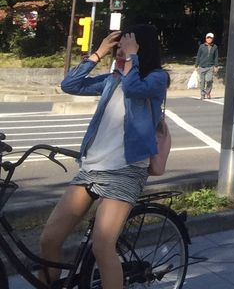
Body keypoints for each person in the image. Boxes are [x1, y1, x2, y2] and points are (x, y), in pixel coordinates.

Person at [40, 26, 168, 289]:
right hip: (92, 167)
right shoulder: (113, 79)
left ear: (141, 49)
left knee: (102, 246)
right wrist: (98, 53)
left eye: (125, 46)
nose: (119, 51)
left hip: (126, 170)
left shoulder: (157, 79)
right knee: (49, 239)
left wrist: (131, 57)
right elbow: (70, 85)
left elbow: (134, 89)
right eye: (118, 47)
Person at [194, 32, 218, 100]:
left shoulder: (215, 47)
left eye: (210, 38)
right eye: (208, 38)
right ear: (206, 38)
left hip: (210, 66)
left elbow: (216, 57)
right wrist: (196, 65)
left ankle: (208, 92)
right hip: (202, 66)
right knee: (202, 82)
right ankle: (202, 95)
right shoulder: (202, 46)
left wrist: (216, 66)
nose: (209, 39)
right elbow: (198, 56)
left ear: (212, 39)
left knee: (209, 80)